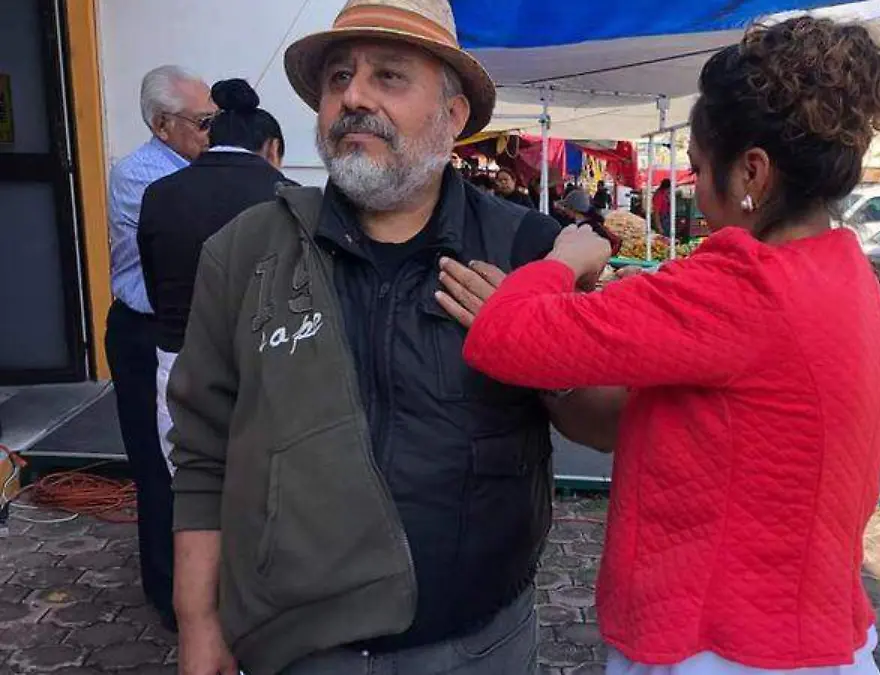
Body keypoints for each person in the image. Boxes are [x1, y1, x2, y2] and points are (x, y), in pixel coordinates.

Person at [445, 16, 880, 675]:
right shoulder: (845, 273)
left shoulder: (744, 284)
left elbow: (505, 338)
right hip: (811, 635)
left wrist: (562, 261)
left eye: (699, 169)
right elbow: (639, 414)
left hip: (722, 646)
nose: (696, 189)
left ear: (752, 173)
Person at [168, 1, 605, 674]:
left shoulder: (526, 248)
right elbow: (203, 451)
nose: (354, 97)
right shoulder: (246, 252)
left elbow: (604, 426)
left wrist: (538, 343)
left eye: (389, 77)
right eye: (339, 77)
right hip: (300, 651)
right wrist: (198, 621)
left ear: (452, 114)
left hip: (477, 645)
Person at [105, 64, 213, 632]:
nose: (212, 132)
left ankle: (204, 582)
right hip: (146, 333)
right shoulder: (139, 176)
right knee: (156, 461)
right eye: (202, 122)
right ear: (162, 124)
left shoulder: (202, 171)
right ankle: (168, 592)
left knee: (201, 462)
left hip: (194, 332)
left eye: (215, 119)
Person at [138, 78, 291, 478]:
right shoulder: (290, 197)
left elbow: (154, 288)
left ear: (210, 139)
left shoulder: (159, 195)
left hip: (181, 363)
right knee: (264, 492)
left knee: (193, 487)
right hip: (265, 366)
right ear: (272, 148)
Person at [557, 188, 621, 255]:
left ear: (573, 208)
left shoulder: (591, 227)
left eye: (566, 207)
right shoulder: (589, 223)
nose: (565, 210)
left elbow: (614, 242)